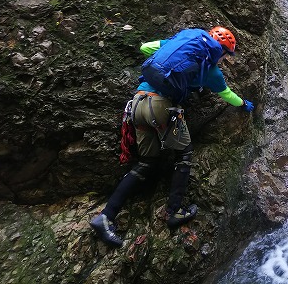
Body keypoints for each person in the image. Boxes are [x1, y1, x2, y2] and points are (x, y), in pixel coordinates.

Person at [90, 26, 254, 247]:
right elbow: (227, 94)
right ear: (221, 51)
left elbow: (145, 47)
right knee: (184, 155)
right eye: (226, 55)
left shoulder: (176, 47)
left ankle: (106, 216)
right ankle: (174, 211)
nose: (224, 59)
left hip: (137, 102)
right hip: (161, 107)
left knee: (146, 163)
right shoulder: (211, 70)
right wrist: (244, 104)